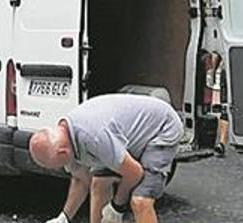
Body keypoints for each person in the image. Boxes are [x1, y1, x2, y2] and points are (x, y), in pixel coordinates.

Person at [29, 94, 183, 223]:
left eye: (54, 165)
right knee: (99, 185)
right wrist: (63, 218)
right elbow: (81, 179)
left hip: (161, 128)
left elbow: (135, 173)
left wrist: (117, 206)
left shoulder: (94, 138)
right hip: (125, 137)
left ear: (63, 153)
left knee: (140, 201)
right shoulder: (65, 138)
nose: (58, 168)